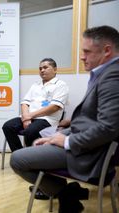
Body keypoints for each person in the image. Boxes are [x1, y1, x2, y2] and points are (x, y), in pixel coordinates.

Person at [11, 25, 119, 213]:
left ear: (107, 50)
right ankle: (70, 194)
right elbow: (88, 121)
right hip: (84, 145)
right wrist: (58, 136)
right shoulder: (104, 74)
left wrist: (67, 140)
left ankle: (66, 193)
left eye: (86, 51)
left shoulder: (112, 77)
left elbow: (109, 128)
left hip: (89, 154)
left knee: (18, 159)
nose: (82, 57)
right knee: (32, 140)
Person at [2, 58, 69, 152]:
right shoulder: (35, 85)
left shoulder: (61, 85)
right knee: (8, 126)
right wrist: (26, 117)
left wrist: (29, 116)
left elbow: (54, 107)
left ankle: (31, 159)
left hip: (47, 119)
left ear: (55, 69)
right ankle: (19, 154)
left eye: (45, 67)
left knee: (31, 131)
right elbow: (25, 103)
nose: (42, 70)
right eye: (40, 68)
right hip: (29, 118)